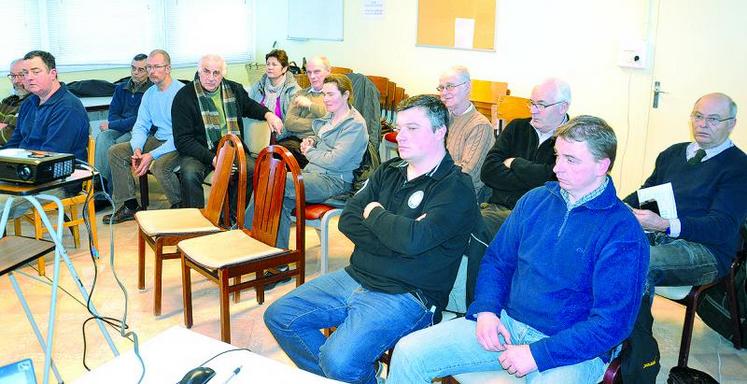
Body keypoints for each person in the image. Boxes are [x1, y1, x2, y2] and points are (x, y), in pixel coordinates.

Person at [387, 116, 649, 384]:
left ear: (601, 166)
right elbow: (498, 261)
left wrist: (539, 354)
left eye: (571, 160)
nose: (557, 168)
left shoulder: (623, 232)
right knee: (410, 352)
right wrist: (487, 310)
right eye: (557, 156)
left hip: (573, 349)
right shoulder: (535, 200)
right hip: (508, 323)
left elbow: (611, 323)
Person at [264, 95, 479, 384]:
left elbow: (413, 240)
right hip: (357, 275)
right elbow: (351, 220)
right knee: (280, 315)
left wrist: (375, 213)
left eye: (412, 128)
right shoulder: (389, 171)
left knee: (338, 360)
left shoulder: (456, 188)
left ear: (439, 131)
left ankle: (351, 376)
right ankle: (363, 378)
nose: (400, 136)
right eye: (400, 128)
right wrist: (398, 238)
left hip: (408, 294)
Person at [624, 93, 747, 296]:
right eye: (698, 116)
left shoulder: (739, 167)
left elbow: (722, 228)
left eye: (713, 119)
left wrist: (665, 224)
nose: (703, 124)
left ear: (732, 124)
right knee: (604, 248)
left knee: (635, 262)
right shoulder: (672, 153)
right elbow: (644, 195)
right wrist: (618, 209)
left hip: (707, 250)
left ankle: (635, 329)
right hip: (658, 236)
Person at [245, 74, 367, 249]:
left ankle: (245, 237)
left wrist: (310, 151)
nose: (325, 99)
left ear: (346, 95)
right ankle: (277, 260)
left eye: (330, 94)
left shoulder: (355, 125)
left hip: (335, 182)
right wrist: (312, 140)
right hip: (313, 174)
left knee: (274, 179)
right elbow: (323, 138)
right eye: (324, 94)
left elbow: (335, 161)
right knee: (278, 198)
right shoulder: (330, 115)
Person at [172, 54, 283, 209]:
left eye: (216, 73)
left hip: (231, 147)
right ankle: (194, 222)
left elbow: (249, 106)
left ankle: (233, 217)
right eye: (206, 71)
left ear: (223, 74)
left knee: (251, 170)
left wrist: (268, 114)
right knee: (190, 174)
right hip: (200, 150)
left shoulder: (234, 89)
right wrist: (212, 158)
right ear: (199, 71)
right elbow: (183, 140)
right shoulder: (184, 97)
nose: (211, 77)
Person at [1, 50, 89, 218]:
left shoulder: (67, 107)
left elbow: (51, 155)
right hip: (28, 172)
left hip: (60, 180)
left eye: (36, 71)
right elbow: (15, 141)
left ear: (53, 74)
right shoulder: (29, 103)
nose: (29, 78)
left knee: (2, 203)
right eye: (25, 73)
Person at [480, 78, 571, 237]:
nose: (533, 110)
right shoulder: (517, 127)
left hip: (538, 216)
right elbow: (488, 171)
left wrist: (515, 163)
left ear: (563, 107)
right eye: (531, 103)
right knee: (469, 222)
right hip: (496, 208)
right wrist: (535, 176)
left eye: (541, 105)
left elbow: (554, 183)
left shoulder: (572, 140)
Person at [104, 49, 184, 224]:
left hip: (178, 142)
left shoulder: (181, 93)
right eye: (149, 67)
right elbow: (141, 125)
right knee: (115, 151)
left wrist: (151, 155)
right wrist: (137, 147)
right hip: (158, 139)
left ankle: (180, 207)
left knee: (160, 166)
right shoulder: (149, 94)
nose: (152, 71)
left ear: (168, 68)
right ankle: (130, 205)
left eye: (157, 67)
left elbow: (181, 136)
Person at [94, 53, 152, 195]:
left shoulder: (151, 90)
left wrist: (114, 125)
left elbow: (138, 120)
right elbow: (112, 114)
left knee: (116, 146)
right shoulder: (121, 88)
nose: (135, 73)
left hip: (141, 131)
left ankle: (110, 192)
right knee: (103, 137)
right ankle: (100, 183)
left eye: (141, 69)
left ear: (149, 70)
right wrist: (115, 125)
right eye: (133, 68)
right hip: (122, 128)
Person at [437, 65, 495, 200]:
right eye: (441, 88)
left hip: (461, 196)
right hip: (438, 187)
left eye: (450, 86)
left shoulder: (480, 126)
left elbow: (466, 174)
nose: (444, 93)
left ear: (467, 87)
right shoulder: (442, 118)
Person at [278, 56, 331, 167]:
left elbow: (332, 120)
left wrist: (310, 105)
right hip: (296, 142)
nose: (312, 76)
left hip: (322, 142)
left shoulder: (333, 95)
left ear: (328, 71)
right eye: (309, 72)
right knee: (281, 151)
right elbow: (289, 123)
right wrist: (319, 121)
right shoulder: (300, 94)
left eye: (317, 72)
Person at [247, 49, 298, 120]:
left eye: (274, 64)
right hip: (258, 128)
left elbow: (294, 120)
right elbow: (247, 107)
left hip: (282, 130)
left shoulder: (293, 90)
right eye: (268, 64)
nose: (270, 67)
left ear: (284, 69)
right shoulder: (258, 86)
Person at [0, 59, 30, 145]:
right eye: (13, 76)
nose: (16, 81)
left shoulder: (33, 103)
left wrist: (4, 127)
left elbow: (7, 138)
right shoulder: (8, 101)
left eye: (21, 75)